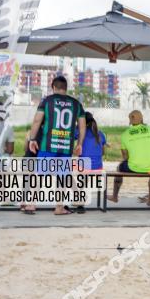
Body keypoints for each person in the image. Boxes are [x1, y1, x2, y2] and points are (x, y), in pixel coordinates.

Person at [28, 75, 86, 215]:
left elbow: (37, 121)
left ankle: (31, 205)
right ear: (66, 88)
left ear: (53, 87)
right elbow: (82, 127)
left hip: (47, 145)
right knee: (62, 177)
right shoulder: (76, 104)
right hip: (65, 147)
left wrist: (32, 139)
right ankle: (59, 207)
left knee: (39, 175)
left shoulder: (47, 101)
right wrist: (79, 144)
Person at [110, 110, 150, 205]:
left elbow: (125, 157)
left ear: (130, 121)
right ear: (142, 119)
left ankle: (114, 196)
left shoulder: (125, 134)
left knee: (119, 168)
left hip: (133, 168)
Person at [74, 111, 106, 212]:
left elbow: (72, 136)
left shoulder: (79, 131)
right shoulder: (100, 133)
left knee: (65, 174)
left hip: (85, 167)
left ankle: (79, 199)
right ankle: (80, 198)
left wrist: (77, 126)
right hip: (98, 167)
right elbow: (103, 152)